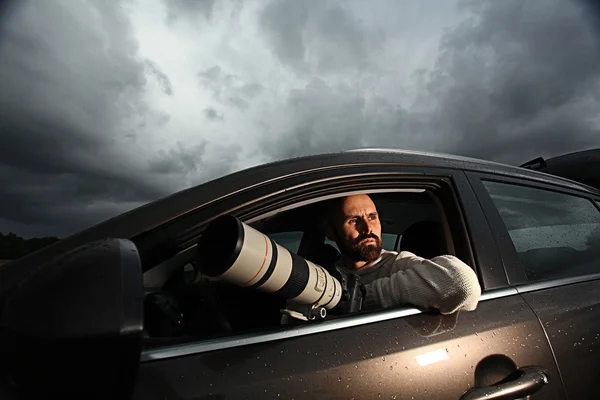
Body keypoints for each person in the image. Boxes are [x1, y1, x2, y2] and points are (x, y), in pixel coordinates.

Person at [324, 194, 481, 315]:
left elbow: (463, 284)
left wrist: (363, 296)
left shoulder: (397, 264)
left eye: (372, 217)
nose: (368, 229)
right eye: (354, 221)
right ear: (331, 232)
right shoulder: (326, 274)